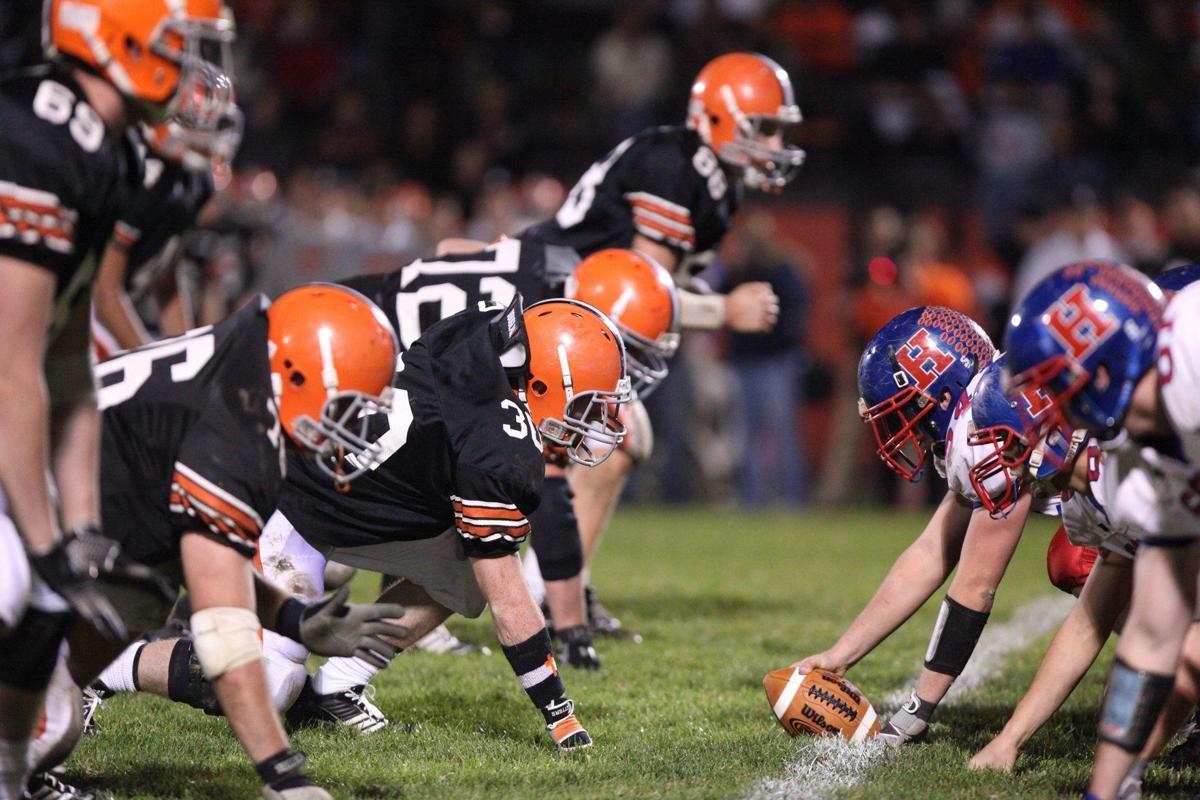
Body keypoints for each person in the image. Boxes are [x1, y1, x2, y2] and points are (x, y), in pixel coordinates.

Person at [131, 296, 631, 750]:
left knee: (464, 572)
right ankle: (110, 668)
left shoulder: (480, 339)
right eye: (585, 404)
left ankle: (338, 686)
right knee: (271, 683)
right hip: (292, 506)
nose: (593, 423)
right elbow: (511, 603)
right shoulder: (503, 454)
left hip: (350, 501)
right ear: (539, 382)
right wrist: (559, 714)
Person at [29, 284, 409, 800]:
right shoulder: (238, 430)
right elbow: (223, 634)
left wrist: (292, 618)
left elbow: (212, 560)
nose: (352, 427)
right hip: (20, 519)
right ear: (297, 375)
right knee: (52, 719)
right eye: (346, 406)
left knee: (146, 587)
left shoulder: (243, 362)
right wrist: (283, 773)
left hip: (45, 514)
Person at [0, 1, 237, 797]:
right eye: (181, 43)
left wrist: (81, 527)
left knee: (39, 599)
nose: (192, 64)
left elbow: (67, 367)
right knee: (15, 585)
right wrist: (44, 540)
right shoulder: (37, 134)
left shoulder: (110, 154)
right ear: (120, 38)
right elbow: (13, 366)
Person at [515, 51, 800, 635]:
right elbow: (643, 290)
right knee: (614, 435)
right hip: (538, 301)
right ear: (720, 118)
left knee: (613, 439)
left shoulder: (714, 181)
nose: (773, 142)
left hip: (572, 312)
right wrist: (724, 309)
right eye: (763, 127)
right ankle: (543, 593)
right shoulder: (678, 164)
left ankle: (561, 585)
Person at [793, 307, 1075, 745]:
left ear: (940, 396)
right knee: (1080, 559)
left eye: (902, 410)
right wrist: (840, 655)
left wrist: (919, 708)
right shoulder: (985, 403)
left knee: (1078, 561)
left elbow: (976, 586)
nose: (900, 429)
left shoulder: (984, 426)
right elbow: (930, 552)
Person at [1001, 260, 1198, 800]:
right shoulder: (1137, 469)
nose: (1052, 416)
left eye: (1057, 390)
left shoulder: (1193, 348)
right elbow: (1155, 639)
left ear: (1106, 366)